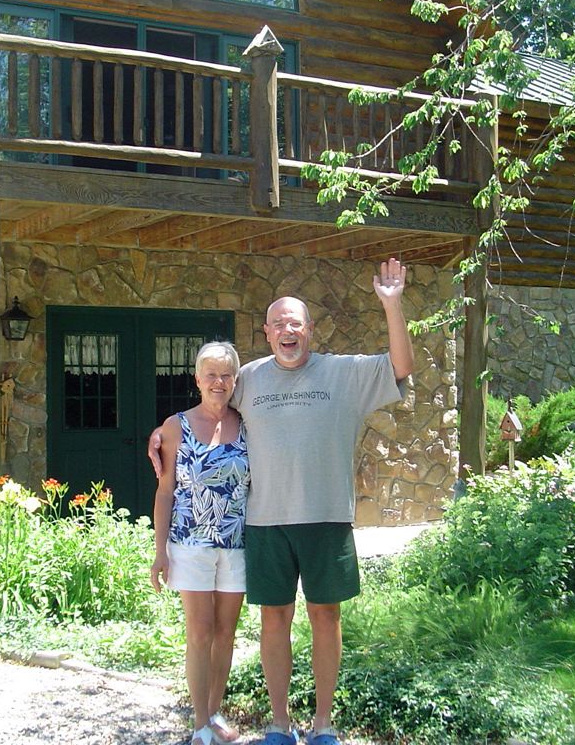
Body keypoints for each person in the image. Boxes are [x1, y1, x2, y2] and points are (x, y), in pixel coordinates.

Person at [151, 259, 414, 745]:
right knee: (274, 619)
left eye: (295, 323)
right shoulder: (248, 378)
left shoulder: (343, 373)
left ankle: (323, 725)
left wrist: (392, 305)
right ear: (267, 334)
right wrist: (164, 434)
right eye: (278, 325)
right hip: (265, 522)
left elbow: (401, 367)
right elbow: (211, 406)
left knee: (326, 617)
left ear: (309, 330)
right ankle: (279, 724)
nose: (287, 331)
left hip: (327, 519)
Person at [150, 341, 250, 745]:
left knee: (226, 632)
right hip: (190, 543)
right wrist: (159, 551)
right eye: (211, 374)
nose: (218, 382)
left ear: (235, 380)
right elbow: (164, 492)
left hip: (237, 544)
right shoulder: (176, 427)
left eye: (226, 375)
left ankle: (214, 710)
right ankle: (199, 723)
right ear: (197, 379)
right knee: (200, 632)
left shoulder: (247, 423)